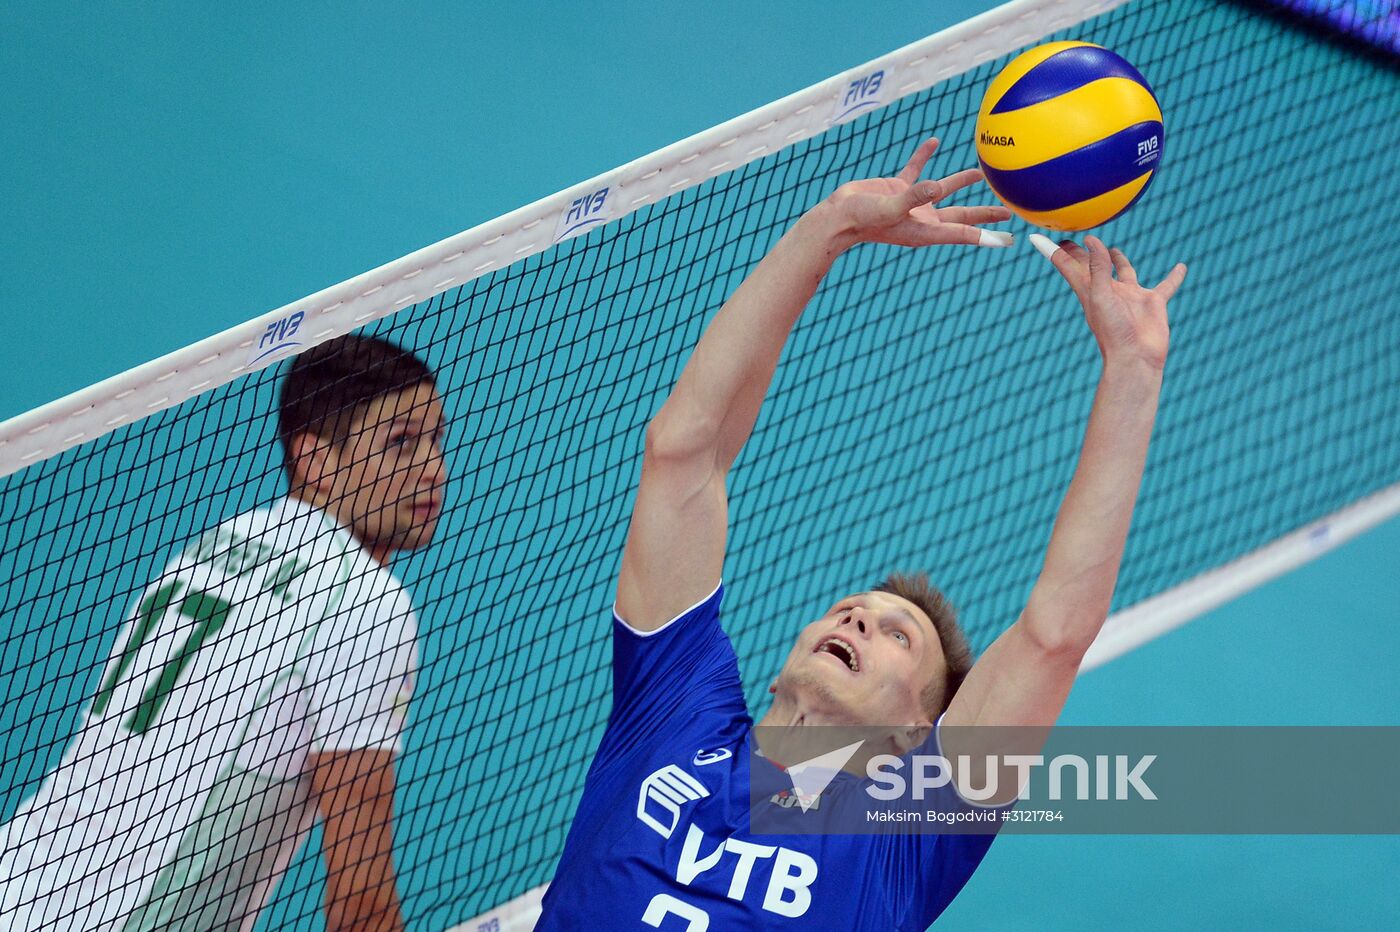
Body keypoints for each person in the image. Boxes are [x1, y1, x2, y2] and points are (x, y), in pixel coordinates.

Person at [539, 137, 1186, 929]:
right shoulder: (675, 707)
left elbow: (1054, 634)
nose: (856, 620)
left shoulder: (908, 831)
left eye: (894, 638)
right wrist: (831, 228)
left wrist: (1132, 372)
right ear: (783, 663)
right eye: (852, 610)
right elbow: (685, 454)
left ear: (916, 734)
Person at [0, 334, 448, 932]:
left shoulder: (214, 547)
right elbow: (361, 905)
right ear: (314, 460)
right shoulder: (367, 605)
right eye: (400, 444)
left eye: (436, 439)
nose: (433, 470)